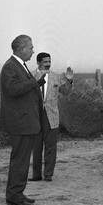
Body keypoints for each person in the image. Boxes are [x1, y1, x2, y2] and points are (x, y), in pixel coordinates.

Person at [0, 34, 46, 205]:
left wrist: (36, 83)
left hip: (25, 122)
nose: (33, 51)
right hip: (20, 122)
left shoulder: (20, 65)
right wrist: (34, 82)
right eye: (31, 47)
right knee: (20, 159)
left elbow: (23, 89)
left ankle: (17, 193)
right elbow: (12, 90)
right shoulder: (10, 66)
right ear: (21, 49)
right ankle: (14, 195)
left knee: (23, 160)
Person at [32, 52, 74, 182]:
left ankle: (48, 175)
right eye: (45, 62)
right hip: (35, 115)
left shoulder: (56, 77)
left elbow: (66, 92)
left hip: (52, 116)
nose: (48, 64)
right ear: (38, 63)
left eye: (49, 61)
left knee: (51, 146)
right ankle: (36, 175)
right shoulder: (31, 76)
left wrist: (69, 80)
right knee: (36, 146)